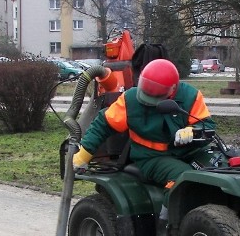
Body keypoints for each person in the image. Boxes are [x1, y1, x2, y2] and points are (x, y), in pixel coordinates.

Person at [72, 58, 215, 193]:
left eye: (155, 96)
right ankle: (169, 217)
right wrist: (84, 155)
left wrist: (193, 131)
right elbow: (104, 124)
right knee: (184, 178)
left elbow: (207, 126)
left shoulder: (191, 96)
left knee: (221, 172)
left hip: (190, 153)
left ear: (173, 88)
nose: (148, 101)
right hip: (151, 157)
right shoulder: (131, 100)